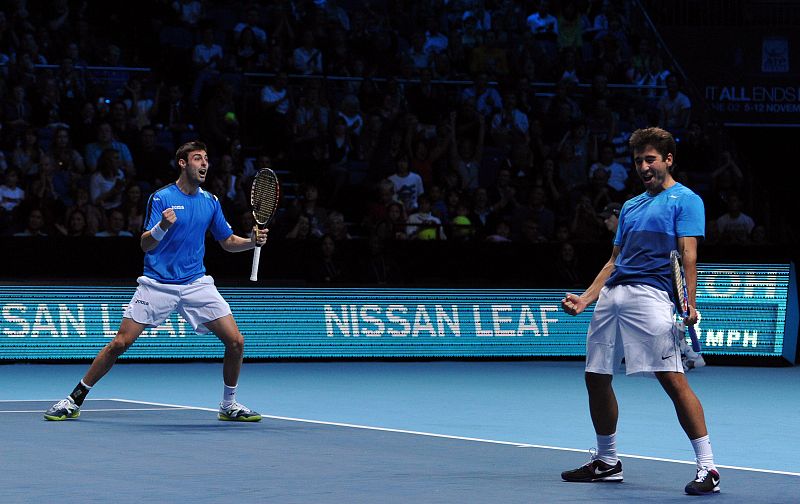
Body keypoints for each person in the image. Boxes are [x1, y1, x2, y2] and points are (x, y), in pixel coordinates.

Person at [44, 141, 268, 423]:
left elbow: (226, 242)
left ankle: (228, 404)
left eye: (206, 159)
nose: (204, 164)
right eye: (198, 158)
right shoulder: (161, 198)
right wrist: (162, 226)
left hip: (196, 283)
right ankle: (74, 399)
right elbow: (145, 245)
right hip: (157, 284)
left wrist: (251, 241)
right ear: (183, 163)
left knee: (236, 341)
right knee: (120, 343)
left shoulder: (210, 202)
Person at [560, 127, 720, 495]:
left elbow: (688, 256)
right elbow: (614, 261)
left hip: (651, 298)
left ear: (668, 159)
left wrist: (689, 302)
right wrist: (586, 299)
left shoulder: (686, 199)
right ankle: (607, 461)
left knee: (671, 379)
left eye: (650, 159)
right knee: (596, 376)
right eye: (638, 161)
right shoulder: (630, 206)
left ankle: (708, 468)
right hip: (612, 298)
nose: (643, 167)